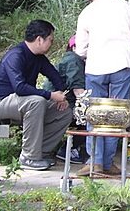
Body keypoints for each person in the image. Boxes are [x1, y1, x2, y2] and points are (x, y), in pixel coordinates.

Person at [75, 0, 130, 176]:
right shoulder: (127, 7)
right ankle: (108, 163)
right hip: (123, 64)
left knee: (95, 113)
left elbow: (80, 49)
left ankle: (94, 162)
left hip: (96, 67)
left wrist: (94, 53)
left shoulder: (88, 11)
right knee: (117, 115)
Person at [0, 20, 73, 171]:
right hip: (1, 103)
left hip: (23, 102)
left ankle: (39, 153)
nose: (52, 43)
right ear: (39, 39)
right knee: (36, 101)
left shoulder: (39, 58)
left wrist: (61, 95)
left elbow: (54, 76)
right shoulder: (16, 55)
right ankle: (29, 157)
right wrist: (50, 95)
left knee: (64, 112)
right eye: (50, 39)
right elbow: (20, 87)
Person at [43, 34, 87, 164]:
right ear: (74, 47)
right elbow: (79, 92)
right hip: (57, 104)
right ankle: (69, 149)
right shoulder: (74, 60)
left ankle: (71, 147)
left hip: (56, 102)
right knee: (91, 118)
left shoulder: (72, 59)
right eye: (86, 45)